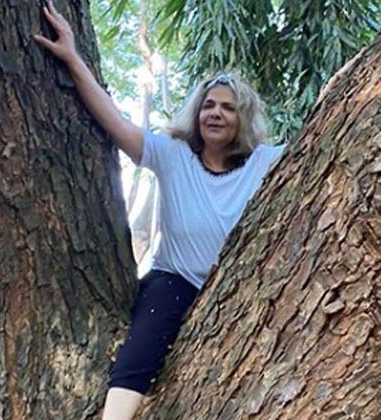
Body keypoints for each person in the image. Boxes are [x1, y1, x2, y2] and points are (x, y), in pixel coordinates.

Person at [34, 3, 284, 419]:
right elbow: (114, 121)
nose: (216, 113)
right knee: (141, 351)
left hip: (242, 285)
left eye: (227, 107)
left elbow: (325, 132)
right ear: (197, 112)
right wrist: (72, 57)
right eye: (208, 105)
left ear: (243, 119)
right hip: (177, 279)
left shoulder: (265, 163)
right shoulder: (172, 155)